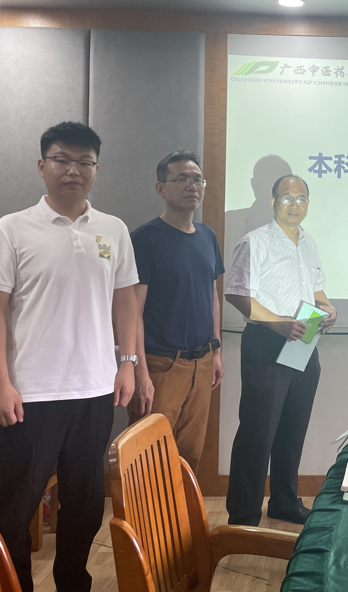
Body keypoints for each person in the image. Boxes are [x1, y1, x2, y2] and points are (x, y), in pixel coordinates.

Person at [0, 122, 138, 592]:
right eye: (62, 160)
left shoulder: (113, 229)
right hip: (30, 394)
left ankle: (72, 581)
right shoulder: (12, 228)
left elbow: (125, 300)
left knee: (85, 504)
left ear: (96, 169)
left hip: (95, 390)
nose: (73, 170)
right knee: (16, 507)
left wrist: (127, 362)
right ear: (42, 166)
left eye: (85, 162)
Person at [224, 174, 337, 526]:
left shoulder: (308, 242)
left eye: (301, 198)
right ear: (273, 202)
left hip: (305, 336)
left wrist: (329, 308)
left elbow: (317, 290)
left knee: (293, 427)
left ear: (308, 204)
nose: (294, 204)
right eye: (287, 197)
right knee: (258, 431)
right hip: (267, 341)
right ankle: (243, 513)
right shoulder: (255, 241)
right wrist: (277, 323)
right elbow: (237, 292)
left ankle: (284, 502)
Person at [128, 149, 224, 473]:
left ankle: (181, 511)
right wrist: (140, 371)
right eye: (182, 179)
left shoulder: (208, 236)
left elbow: (212, 297)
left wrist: (216, 352)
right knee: (149, 458)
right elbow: (133, 311)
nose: (191, 186)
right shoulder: (145, 239)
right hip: (161, 365)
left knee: (188, 457)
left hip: (202, 364)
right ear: (161, 188)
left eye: (197, 179)